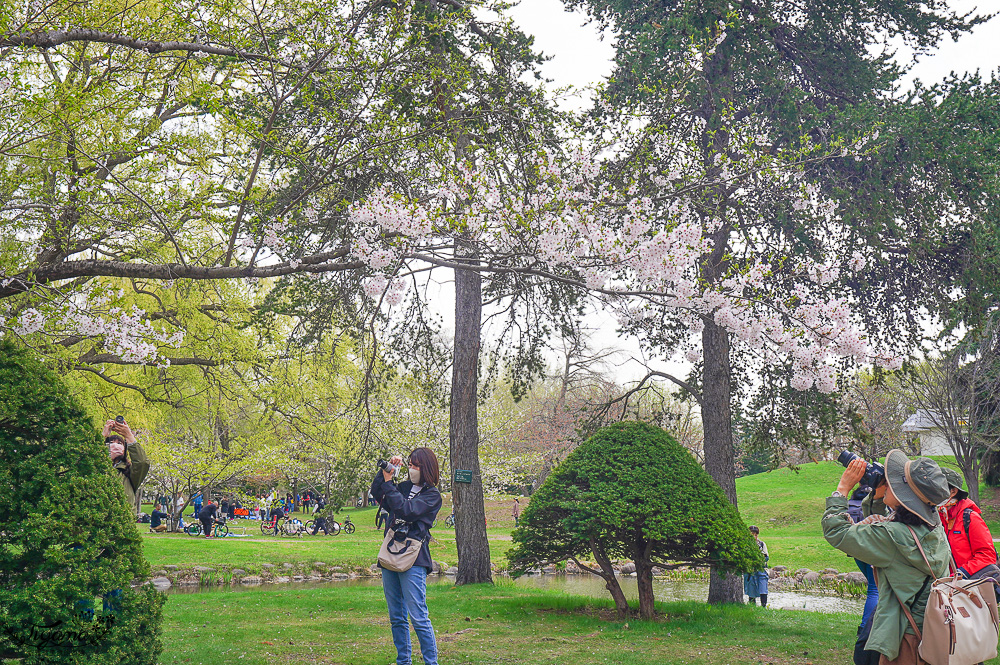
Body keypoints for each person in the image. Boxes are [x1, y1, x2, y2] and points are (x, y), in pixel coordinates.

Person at [823, 450, 951, 663]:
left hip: (903, 637)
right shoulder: (931, 524)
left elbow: (836, 532)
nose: (889, 484)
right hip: (929, 629)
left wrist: (842, 489)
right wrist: (878, 495)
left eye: (895, 484)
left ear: (905, 496)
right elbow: (885, 523)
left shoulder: (893, 537)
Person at [371, 448, 443, 665]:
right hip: (392, 553)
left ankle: (431, 662)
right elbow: (379, 494)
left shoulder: (432, 496)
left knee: (418, 617)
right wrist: (386, 474)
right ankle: (404, 661)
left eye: (415, 465)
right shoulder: (403, 487)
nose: (411, 469)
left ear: (427, 468)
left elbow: (407, 511)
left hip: (414, 559)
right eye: (410, 464)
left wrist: (390, 486)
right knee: (396, 617)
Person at [938, 468, 999, 580]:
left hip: (967, 586)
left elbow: (987, 556)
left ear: (953, 491)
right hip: (943, 585)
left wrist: (960, 574)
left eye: (939, 485)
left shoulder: (970, 517)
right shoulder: (936, 516)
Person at [102, 418, 150, 512]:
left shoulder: (129, 473)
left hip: (123, 523)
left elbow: (142, 462)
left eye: (120, 443)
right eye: (111, 443)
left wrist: (128, 435)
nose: (115, 445)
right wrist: (103, 436)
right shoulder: (98, 467)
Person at [743, 525, 769, 607]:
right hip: (750, 571)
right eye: (752, 534)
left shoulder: (762, 544)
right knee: (751, 589)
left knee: (763, 588)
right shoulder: (745, 545)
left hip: (761, 569)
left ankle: (763, 607)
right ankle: (752, 607)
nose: (754, 536)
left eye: (755, 534)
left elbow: (766, 557)